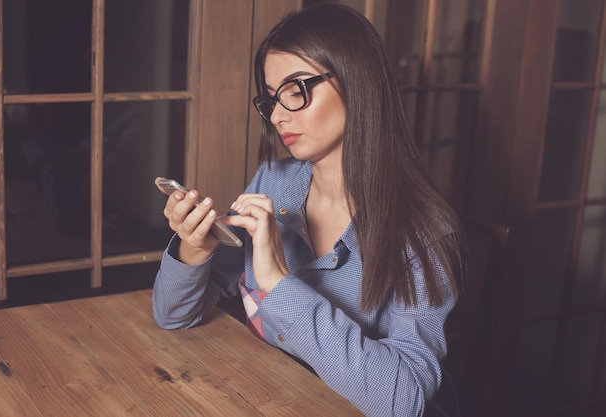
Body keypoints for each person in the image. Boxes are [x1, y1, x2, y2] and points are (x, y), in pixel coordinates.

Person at [152, 4, 467, 416]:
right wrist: (194, 248)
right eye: (271, 98)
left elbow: (403, 401)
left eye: (296, 88)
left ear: (358, 81)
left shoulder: (425, 232)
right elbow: (173, 316)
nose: (279, 115)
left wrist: (278, 283)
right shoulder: (274, 181)